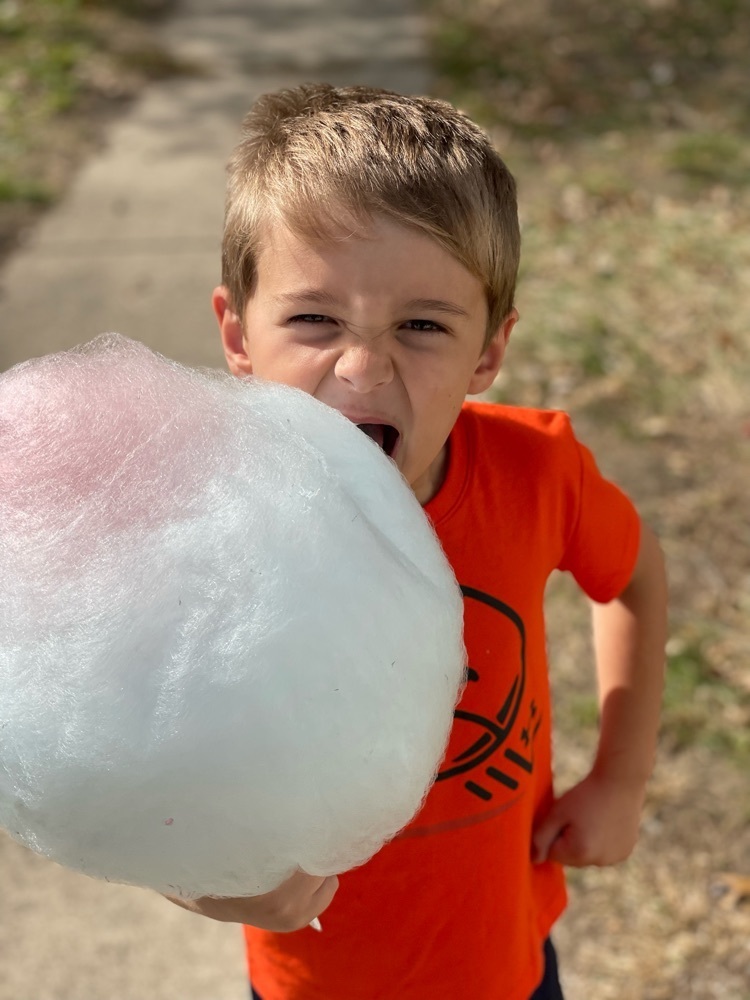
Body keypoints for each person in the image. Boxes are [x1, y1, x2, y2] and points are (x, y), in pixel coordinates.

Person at [166, 83, 667, 1000]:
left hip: (507, 966)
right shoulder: (205, 533)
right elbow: (144, 778)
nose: (363, 367)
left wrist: (621, 778)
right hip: (311, 980)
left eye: (423, 326)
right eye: (314, 319)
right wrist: (210, 887)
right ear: (237, 332)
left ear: (488, 352)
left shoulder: (535, 475)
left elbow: (633, 576)